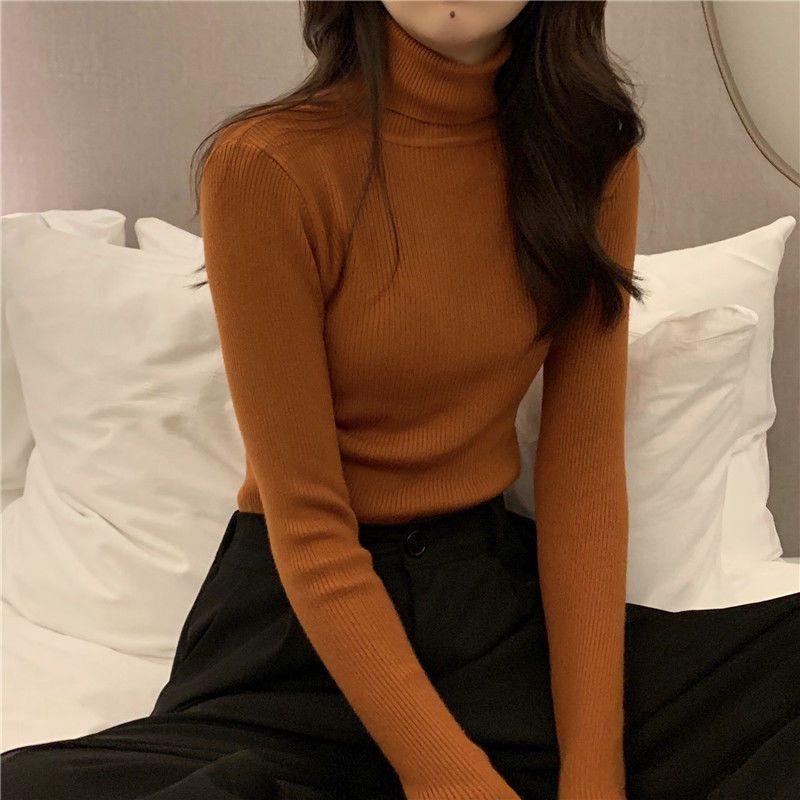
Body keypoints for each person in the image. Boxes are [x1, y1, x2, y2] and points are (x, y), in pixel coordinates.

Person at [3, 2, 799, 799]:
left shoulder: (588, 157)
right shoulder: (267, 165)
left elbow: (582, 477)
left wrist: (594, 774)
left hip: (487, 611)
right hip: (299, 644)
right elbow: (308, 524)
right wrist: (451, 781)